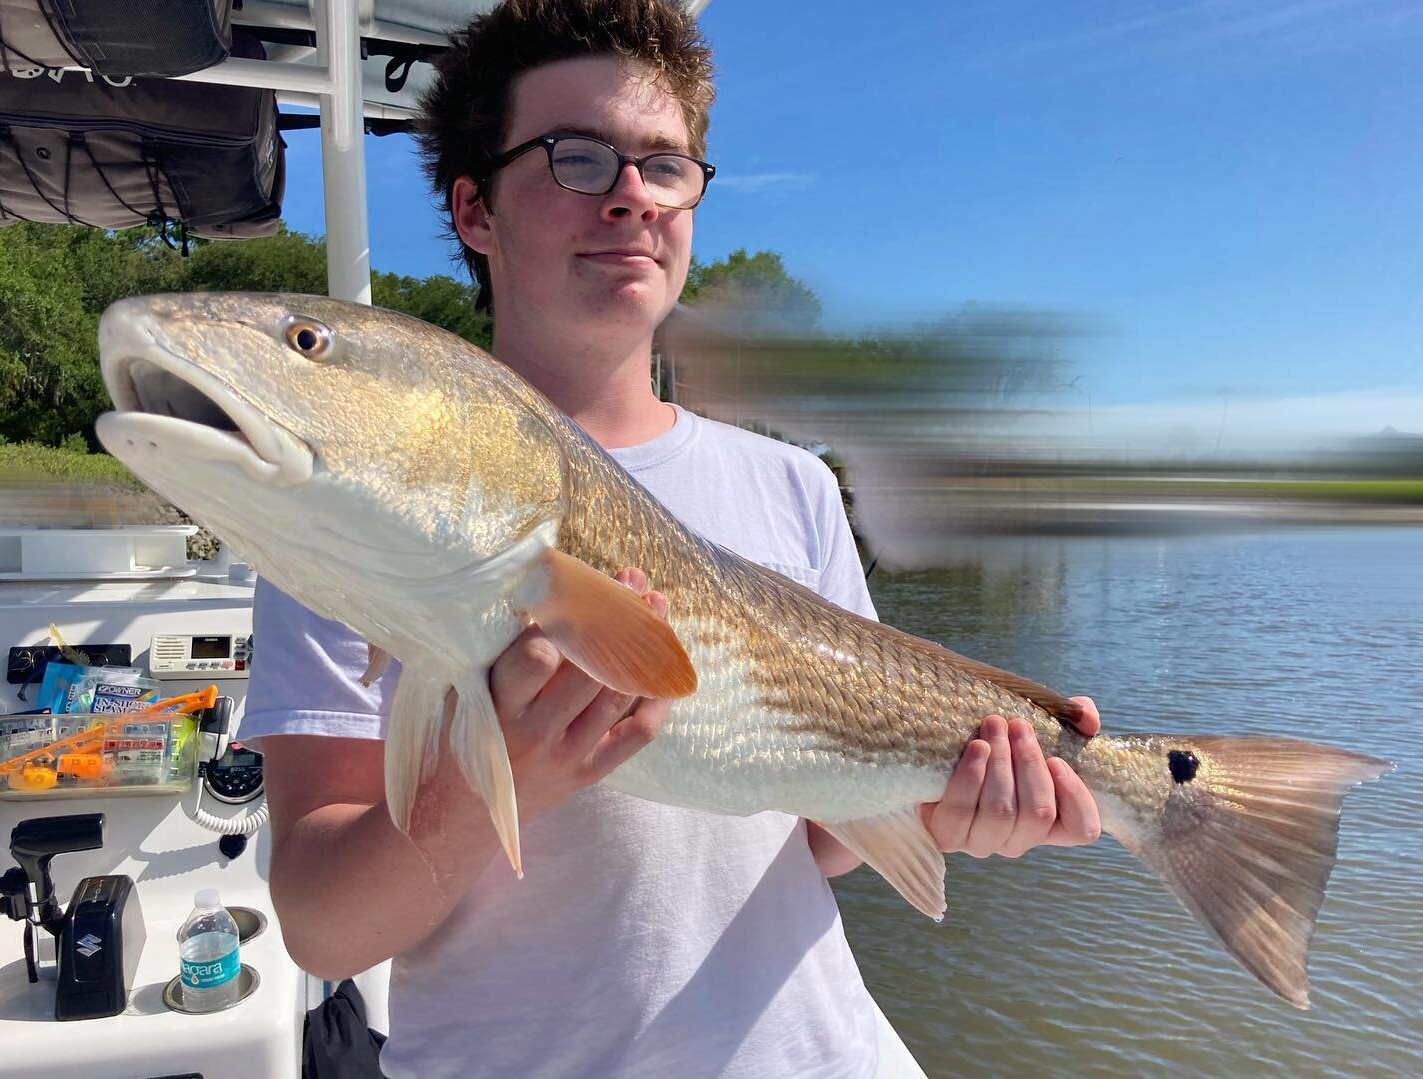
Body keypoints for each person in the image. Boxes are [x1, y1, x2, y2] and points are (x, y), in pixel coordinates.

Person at [239, 2, 1103, 1076]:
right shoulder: (344, 515)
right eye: (577, 158)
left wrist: (952, 805)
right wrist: (502, 774)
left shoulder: (793, 485)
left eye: (664, 164)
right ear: (474, 210)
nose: (630, 197)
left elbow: (811, 837)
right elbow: (324, 928)